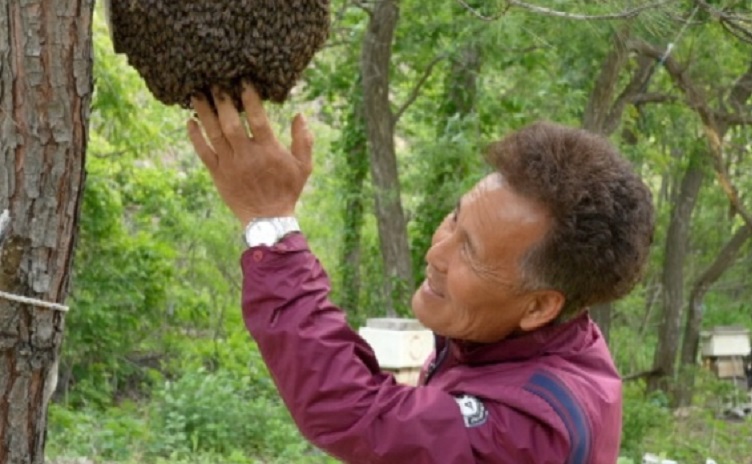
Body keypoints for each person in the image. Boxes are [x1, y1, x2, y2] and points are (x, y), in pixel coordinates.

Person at [187, 84, 655, 464]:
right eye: (454, 218)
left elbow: (361, 415)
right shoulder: (521, 336)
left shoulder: (533, 432)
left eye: (469, 250)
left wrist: (270, 223)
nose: (436, 253)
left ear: (539, 306)